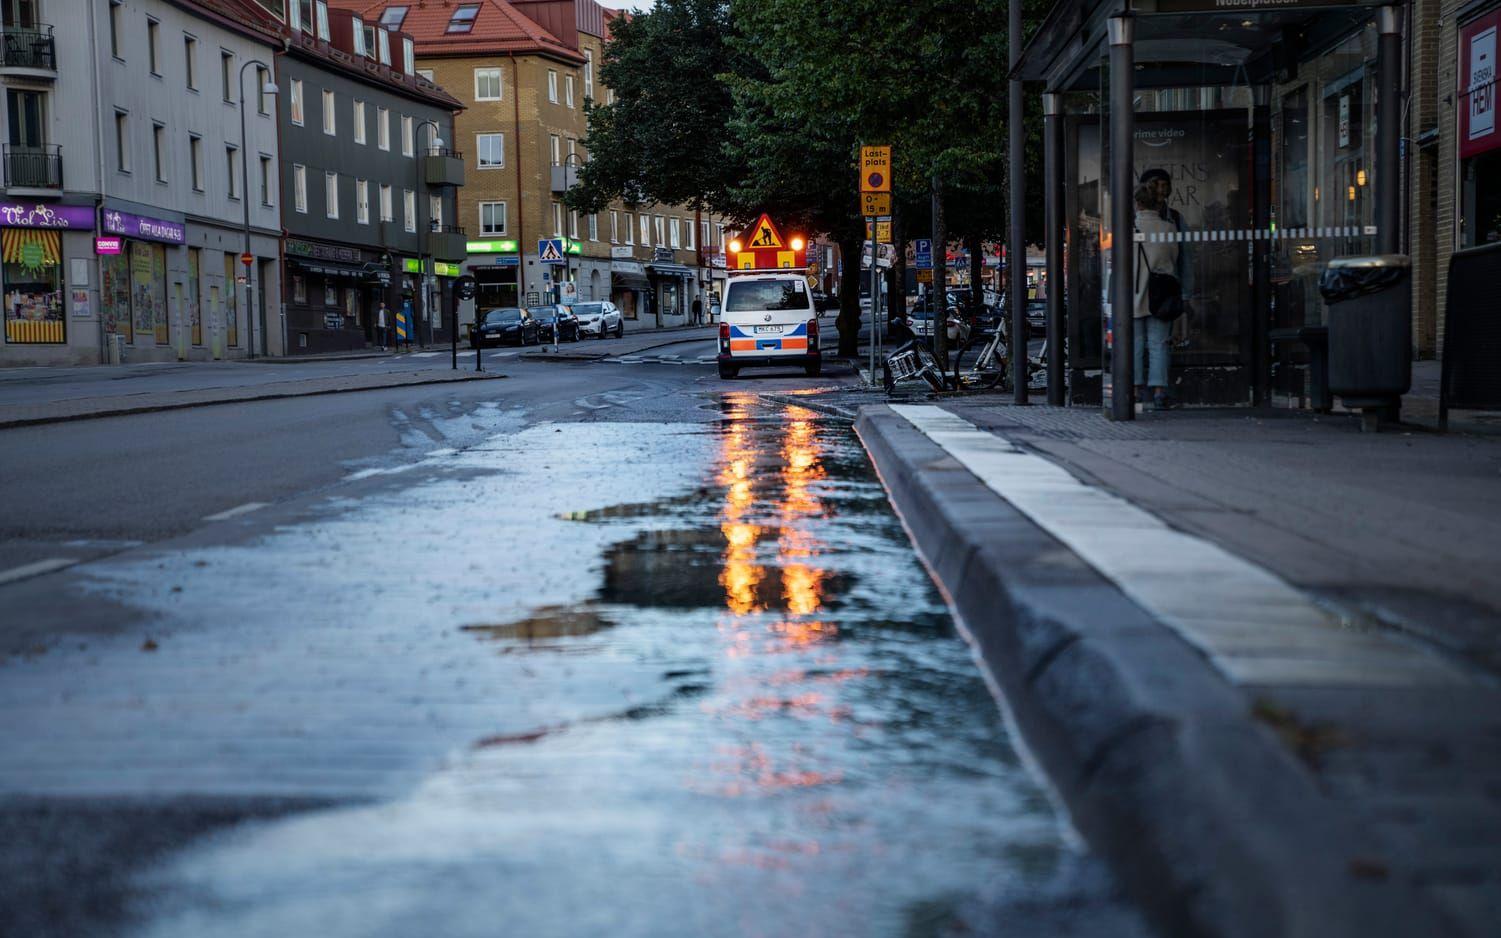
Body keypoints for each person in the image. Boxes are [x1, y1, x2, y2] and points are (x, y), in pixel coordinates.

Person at [1133, 183, 1179, 411]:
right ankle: (1160, 390)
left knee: (1135, 343)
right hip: (1160, 293)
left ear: (1137, 203)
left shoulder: (1130, 229)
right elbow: (1173, 259)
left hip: (1134, 292)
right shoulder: (1168, 229)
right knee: (1159, 343)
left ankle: (1135, 388)